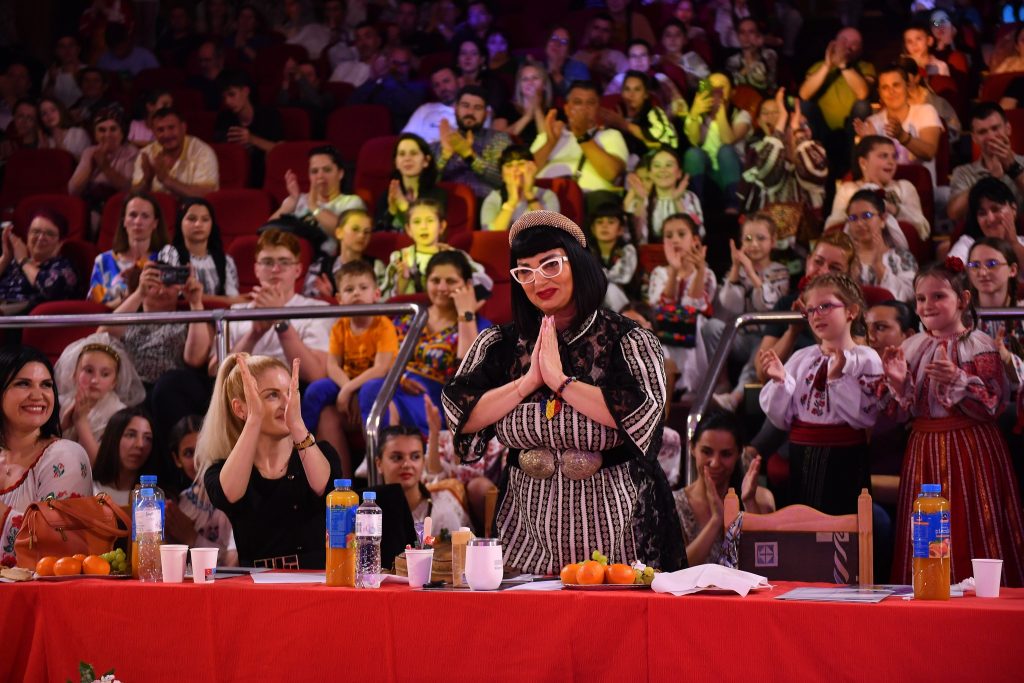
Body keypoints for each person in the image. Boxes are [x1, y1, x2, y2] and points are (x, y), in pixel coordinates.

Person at [442, 210, 686, 573]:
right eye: (524, 271)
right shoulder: (499, 343)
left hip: (618, 530)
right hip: (525, 531)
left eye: (550, 264)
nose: (538, 280)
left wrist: (560, 381)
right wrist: (526, 383)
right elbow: (461, 413)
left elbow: (642, 415)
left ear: (578, 263)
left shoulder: (628, 339)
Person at [881, 259, 1024, 586]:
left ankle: (982, 593)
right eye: (921, 298)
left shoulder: (979, 345)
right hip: (925, 449)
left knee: (974, 520)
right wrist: (900, 384)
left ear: (963, 299)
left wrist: (959, 380)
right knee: (927, 531)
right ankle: (927, 592)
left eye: (938, 296)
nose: (927, 305)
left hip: (972, 449)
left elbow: (993, 404)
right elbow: (900, 413)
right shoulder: (911, 347)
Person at [197, 354, 343, 569]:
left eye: (290, 392)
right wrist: (254, 418)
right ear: (239, 409)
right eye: (272, 395)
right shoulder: (221, 470)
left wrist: (297, 425)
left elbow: (326, 488)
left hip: (318, 578)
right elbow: (228, 495)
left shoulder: (322, 453)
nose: (287, 403)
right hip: (257, 583)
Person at [760, 273, 883, 514]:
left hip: (844, 458)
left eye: (825, 306)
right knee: (803, 523)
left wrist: (837, 380)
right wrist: (780, 382)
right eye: (810, 310)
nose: (816, 315)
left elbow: (866, 417)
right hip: (802, 456)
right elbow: (780, 419)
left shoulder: (864, 358)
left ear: (851, 311)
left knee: (844, 524)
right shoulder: (802, 358)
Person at [366, 250, 490, 437]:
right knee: (371, 390)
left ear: (467, 285)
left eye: (451, 281)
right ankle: (388, 451)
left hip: (437, 402)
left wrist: (466, 313)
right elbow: (382, 358)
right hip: (394, 388)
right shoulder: (409, 316)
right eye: (435, 280)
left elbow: (469, 376)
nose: (442, 287)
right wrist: (401, 379)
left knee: (373, 391)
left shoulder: (479, 325)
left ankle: (390, 451)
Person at [301, 260, 398, 477]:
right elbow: (332, 365)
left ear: (376, 294)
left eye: (363, 288)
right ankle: (301, 450)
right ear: (339, 298)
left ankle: (374, 453)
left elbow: (381, 369)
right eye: (349, 289)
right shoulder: (340, 326)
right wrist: (347, 388)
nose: (356, 293)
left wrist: (349, 389)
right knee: (315, 390)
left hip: (377, 382)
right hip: (348, 381)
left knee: (369, 390)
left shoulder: (383, 325)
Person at [0, 346, 92, 567]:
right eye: (23, 383)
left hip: (41, 587)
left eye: (46, 385)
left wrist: (3, 515)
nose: (37, 395)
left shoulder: (65, 457)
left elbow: (63, 547)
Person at [705, 213, 790, 412]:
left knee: (759, 352)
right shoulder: (738, 271)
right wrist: (737, 267)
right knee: (711, 326)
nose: (754, 244)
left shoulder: (780, 271)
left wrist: (751, 272)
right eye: (748, 239)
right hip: (741, 336)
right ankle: (721, 382)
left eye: (761, 238)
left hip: (766, 337)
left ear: (773, 241)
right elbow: (729, 306)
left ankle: (735, 397)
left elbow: (769, 305)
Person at [228, 230, 332, 383]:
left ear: (298, 270)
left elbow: (315, 375)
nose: (275, 269)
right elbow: (217, 371)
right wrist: (254, 334)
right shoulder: (236, 311)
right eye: (268, 262)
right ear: (256, 269)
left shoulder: (318, 310)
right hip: (244, 387)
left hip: (293, 389)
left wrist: (281, 322)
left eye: (284, 262)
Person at [674, 411, 774, 565]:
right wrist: (716, 520)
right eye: (706, 452)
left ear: (739, 453)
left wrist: (749, 501)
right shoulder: (675, 503)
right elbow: (678, 567)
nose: (715, 463)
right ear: (693, 448)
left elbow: (766, 560)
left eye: (726, 454)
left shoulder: (761, 498)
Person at [646, 213, 716, 395]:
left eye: (681, 234)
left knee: (691, 320)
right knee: (665, 320)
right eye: (668, 236)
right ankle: (666, 380)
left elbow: (693, 307)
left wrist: (699, 271)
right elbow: (661, 307)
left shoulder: (707, 274)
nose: (675, 240)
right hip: (665, 329)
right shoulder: (659, 273)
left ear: (695, 240)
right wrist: (674, 271)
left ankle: (692, 385)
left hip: (695, 331)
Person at [531, 81, 628, 208]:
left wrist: (581, 135)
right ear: (566, 108)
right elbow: (525, 172)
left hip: (588, 202)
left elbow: (611, 173)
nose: (584, 108)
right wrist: (550, 143)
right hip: (542, 201)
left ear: (598, 108)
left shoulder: (610, 135)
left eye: (590, 103)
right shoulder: (550, 135)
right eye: (578, 102)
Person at [54, 332, 145, 465]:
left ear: (114, 382)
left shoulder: (119, 414)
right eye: (88, 371)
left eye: (105, 374)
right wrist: (62, 426)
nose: (95, 380)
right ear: (74, 374)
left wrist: (81, 422)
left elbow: (102, 467)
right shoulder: (61, 404)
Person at [739, 88, 829, 213]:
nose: (771, 116)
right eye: (765, 112)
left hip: (807, 222)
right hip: (768, 221)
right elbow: (768, 171)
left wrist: (797, 130)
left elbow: (813, 171)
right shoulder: (757, 149)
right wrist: (781, 120)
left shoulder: (813, 150)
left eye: (776, 111)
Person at [165, 415, 238, 566]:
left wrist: (193, 538)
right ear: (177, 459)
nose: (198, 459)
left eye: (203, 449)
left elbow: (234, 564)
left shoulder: (234, 496)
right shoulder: (181, 504)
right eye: (188, 453)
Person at [376, 423, 473, 536]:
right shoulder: (367, 514)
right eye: (397, 457)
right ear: (379, 464)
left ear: (423, 462)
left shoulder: (441, 514)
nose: (407, 464)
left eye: (415, 457)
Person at [381, 198, 489, 299]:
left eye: (430, 220)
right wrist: (402, 281)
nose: (423, 227)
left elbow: (484, 289)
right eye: (417, 222)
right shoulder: (401, 259)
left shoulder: (456, 256)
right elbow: (386, 300)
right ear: (408, 229)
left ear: (441, 226)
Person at [827, 135, 928, 242]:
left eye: (894, 156)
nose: (891, 162)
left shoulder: (904, 187)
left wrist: (895, 209)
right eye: (884, 156)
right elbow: (832, 228)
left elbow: (922, 227)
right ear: (863, 162)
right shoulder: (848, 190)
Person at [268, 145, 366, 255]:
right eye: (314, 171)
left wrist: (314, 207)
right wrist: (291, 203)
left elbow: (346, 234)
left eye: (327, 170)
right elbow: (266, 234)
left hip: (327, 262)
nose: (320, 176)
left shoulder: (352, 202)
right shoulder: (296, 200)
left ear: (340, 173)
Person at [853, 64, 941, 181]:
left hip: (919, 185)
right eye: (885, 88)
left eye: (896, 85)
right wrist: (868, 143)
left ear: (907, 87)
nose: (891, 92)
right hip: (887, 187)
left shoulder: (926, 111)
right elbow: (867, 170)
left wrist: (902, 137)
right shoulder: (873, 122)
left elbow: (929, 153)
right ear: (879, 93)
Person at [683, 72, 751, 213]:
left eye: (721, 87)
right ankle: (695, 208)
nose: (716, 91)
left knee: (725, 151)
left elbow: (728, 139)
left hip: (732, 171)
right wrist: (694, 113)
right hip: (707, 172)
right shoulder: (699, 113)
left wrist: (720, 110)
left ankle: (733, 206)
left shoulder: (741, 115)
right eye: (712, 87)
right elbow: (694, 141)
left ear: (732, 92)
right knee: (693, 153)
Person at [88, 191, 169, 307]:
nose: (138, 222)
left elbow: (168, 303)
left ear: (155, 223)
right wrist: (130, 294)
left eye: (145, 216)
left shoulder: (165, 261)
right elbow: (95, 309)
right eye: (133, 215)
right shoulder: (103, 261)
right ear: (124, 221)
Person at [431, 85, 511, 200]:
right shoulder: (440, 144)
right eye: (465, 106)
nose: (470, 112)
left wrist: (470, 156)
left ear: (486, 113)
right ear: (455, 108)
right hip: (445, 204)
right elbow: (426, 182)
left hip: (487, 203)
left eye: (477, 108)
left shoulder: (498, 139)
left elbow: (503, 179)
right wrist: (444, 157)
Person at [158, 198, 242, 306]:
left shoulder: (226, 260)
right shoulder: (170, 253)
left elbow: (234, 299)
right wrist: (225, 300)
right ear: (180, 223)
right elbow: (174, 294)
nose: (198, 224)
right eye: (192, 219)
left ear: (212, 224)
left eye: (205, 219)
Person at [948, 104, 1024, 223]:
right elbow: (954, 214)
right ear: (974, 138)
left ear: (1008, 128)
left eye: (995, 128)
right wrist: (989, 179)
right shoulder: (963, 172)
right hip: (982, 232)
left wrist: (1013, 167)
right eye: (982, 132)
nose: (991, 137)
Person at [797, 27, 873, 142]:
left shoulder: (865, 67)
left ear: (860, 49)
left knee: (863, 105)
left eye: (854, 43)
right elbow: (804, 94)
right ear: (834, 43)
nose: (848, 47)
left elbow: (863, 94)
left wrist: (843, 65)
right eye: (844, 41)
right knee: (805, 105)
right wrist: (827, 66)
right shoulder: (819, 66)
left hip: (851, 130)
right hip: (821, 129)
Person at [844, 189, 918, 304]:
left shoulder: (901, 257)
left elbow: (909, 297)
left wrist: (879, 266)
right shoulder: (844, 258)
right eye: (853, 218)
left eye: (866, 215)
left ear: (883, 219)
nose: (859, 223)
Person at [68, 105, 138, 227]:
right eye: (102, 130)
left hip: (117, 206)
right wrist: (92, 165)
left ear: (122, 132)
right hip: (89, 204)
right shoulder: (89, 152)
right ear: (95, 134)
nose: (107, 135)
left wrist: (105, 166)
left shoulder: (131, 152)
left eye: (113, 129)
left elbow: (128, 189)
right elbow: (73, 190)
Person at [214, 70, 284, 187]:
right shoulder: (224, 118)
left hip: (263, 176)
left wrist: (251, 139)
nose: (227, 102)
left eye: (232, 94)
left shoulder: (269, 115)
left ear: (245, 91)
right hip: (235, 177)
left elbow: (281, 150)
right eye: (224, 97)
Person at [132, 107, 219, 199]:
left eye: (171, 128)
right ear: (154, 132)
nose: (166, 135)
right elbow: (134, 195)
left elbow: (207, 194)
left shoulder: (202, 152)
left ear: (183, 127)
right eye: (160, 130)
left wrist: (166, 180)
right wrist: (146, 181)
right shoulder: (146, 153)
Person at [0, 212, 79, 313]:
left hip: (25, 318)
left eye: (49, 234)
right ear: (27, 235)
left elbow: (52, 290)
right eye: (35, 232)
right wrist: (5, 258)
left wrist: (23, 261)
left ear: (60, 242)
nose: (41, 238)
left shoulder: (64, 267)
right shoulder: (12, 264)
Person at [626, 148, 704, 244]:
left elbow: (698, 234)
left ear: (679, 173)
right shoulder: (640, 200)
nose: (662, 170)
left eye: (668, 165)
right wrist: (641, 201)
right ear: (650, 173)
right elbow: (633, 239)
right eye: (657, 166)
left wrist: (677, 201)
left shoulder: (689, 198)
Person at [306, 208, 385, 299]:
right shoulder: (320, 267)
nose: (362, 235)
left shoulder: (376, 267)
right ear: (339, 233)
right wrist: (325, 299)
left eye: (367, 232)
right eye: (355, 229)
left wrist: (331, 299)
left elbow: (383, 301)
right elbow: (306, 302)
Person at [376, 133, 447, 233]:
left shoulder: (437, 195)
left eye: (413, 153)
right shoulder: (387, 196)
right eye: (402, 154)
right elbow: (378, 234)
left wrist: (404, 206)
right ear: (396, 162)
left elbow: (428, 233)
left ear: (426, 161)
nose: (407, 158)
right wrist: (391, 211)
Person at [601, 71, 679, 161]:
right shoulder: (617, 111)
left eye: (637, 90)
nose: (631, 95)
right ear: (622, 93)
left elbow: (656, 135)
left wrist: (623, 124)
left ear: (646, 94)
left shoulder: (654, 112)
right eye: (627, 89)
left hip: (660, 159)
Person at [348, 46, 427, 132]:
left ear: (410, 66)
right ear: (388, 63)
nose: (398, 68)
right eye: (394, 63)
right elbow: (351, 104)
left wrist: (387, 77)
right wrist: (372, 79)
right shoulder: (378, 83)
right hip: (370, 132)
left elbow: (410, 107)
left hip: (398, 135)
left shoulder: (417, 85)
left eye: (403, 64)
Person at [948, 178, 1024, 267]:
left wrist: (1013, 243)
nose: (990, 219)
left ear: (1013, 209)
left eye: (996, 209)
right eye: (982, 213)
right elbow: (950, 274)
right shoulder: (966, 245)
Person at [481, 145, 559, 232]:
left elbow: (551, 232)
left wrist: (529, 193)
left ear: (533, 168)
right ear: (502, 175)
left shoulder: (547, 195)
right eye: (509, 165)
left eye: (521, 164)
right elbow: (489, 235)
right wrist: (512, 201)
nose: (515, 170)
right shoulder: (494, 198)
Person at [90, 406, 156, 506]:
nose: (140, 445)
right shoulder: (89, 490)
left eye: (147, 438)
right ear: (113, 438)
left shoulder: (156, 498)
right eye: (131, 435)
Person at [604, 39, 684, 110]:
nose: (638, 60)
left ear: (650, 59)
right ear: (628, 60)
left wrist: (665, 116)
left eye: (643, 55)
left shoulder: (660, 78)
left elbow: (679, 103)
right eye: (634, 56)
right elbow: (606, 103)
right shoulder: (620, 79)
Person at [587, 204, 637, 312]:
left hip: (624, 301)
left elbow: (623, 277)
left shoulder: (627, 250)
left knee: (611, 288)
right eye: (599, 222)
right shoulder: (586, 250)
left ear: (621, 230)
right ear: (593, 229)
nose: (604, 226)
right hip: (595, 298)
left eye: (611, 222)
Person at [402, 66, 459, 144]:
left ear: (458, 81)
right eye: (437, 85)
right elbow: (404, 140)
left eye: (446, 81)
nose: (442, 88)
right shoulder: (424, 110)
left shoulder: (471, 108)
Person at [724, 18, 778, 95]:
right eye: (742, 32)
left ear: (758, 35)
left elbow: (770, 84)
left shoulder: (769, 55)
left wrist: (752, 53)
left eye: (751, 32)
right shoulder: (732, 61)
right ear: (738, 36)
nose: (746, 36)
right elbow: (733, 86)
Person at [503, 62, 552, 147]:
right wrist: (528, 116)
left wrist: (537, 108)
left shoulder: (554, 112)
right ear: (519, 86)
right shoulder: (506, 109)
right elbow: (498, 144)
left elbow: (548, 143)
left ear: (544, 85)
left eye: (535, 78)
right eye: (525, 79)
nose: (530, 82)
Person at [572, 13, 627, 88]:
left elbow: (628, 83)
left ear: (611, 34)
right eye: (596, 28)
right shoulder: (577, 56)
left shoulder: (618, 57)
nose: (600, 34)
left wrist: (605, 72)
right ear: (589, 30)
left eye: (605, 30)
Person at [329, 21, 386, 87]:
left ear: (378, 41)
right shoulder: (343, 67)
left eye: (368, 37)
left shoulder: (387, 67)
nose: (363, 43)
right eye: (358, 39)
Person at [658, 19, 710, 92]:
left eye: (678, 35)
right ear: (662, 40)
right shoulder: (656, 61)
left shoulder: (692, 58)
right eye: (668, 35)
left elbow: (706, 84)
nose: (673, 39)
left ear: (685, 40)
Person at [543, 25, 590, 100]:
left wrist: (556, 74)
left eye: (564, 42)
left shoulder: (579, 68)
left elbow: (580, 97)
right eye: (554, 38)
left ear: (569, 51)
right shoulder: (536, 66)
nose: (557, 44)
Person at [39, 97, 90, 161]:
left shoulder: (78, 134)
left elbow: (86, 162)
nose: (49, 115)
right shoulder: (45, 141)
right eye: (44, 113)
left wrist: (61, 148)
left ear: (60, 111)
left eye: (53, 110)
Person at [42, 34, 85, 108]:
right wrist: (52, 81)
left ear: (78, 49)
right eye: (62, 46)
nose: (67, 50)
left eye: (71, 45)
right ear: (56, 51)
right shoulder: (52, 72)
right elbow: (46, 100)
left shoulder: (87, 70)